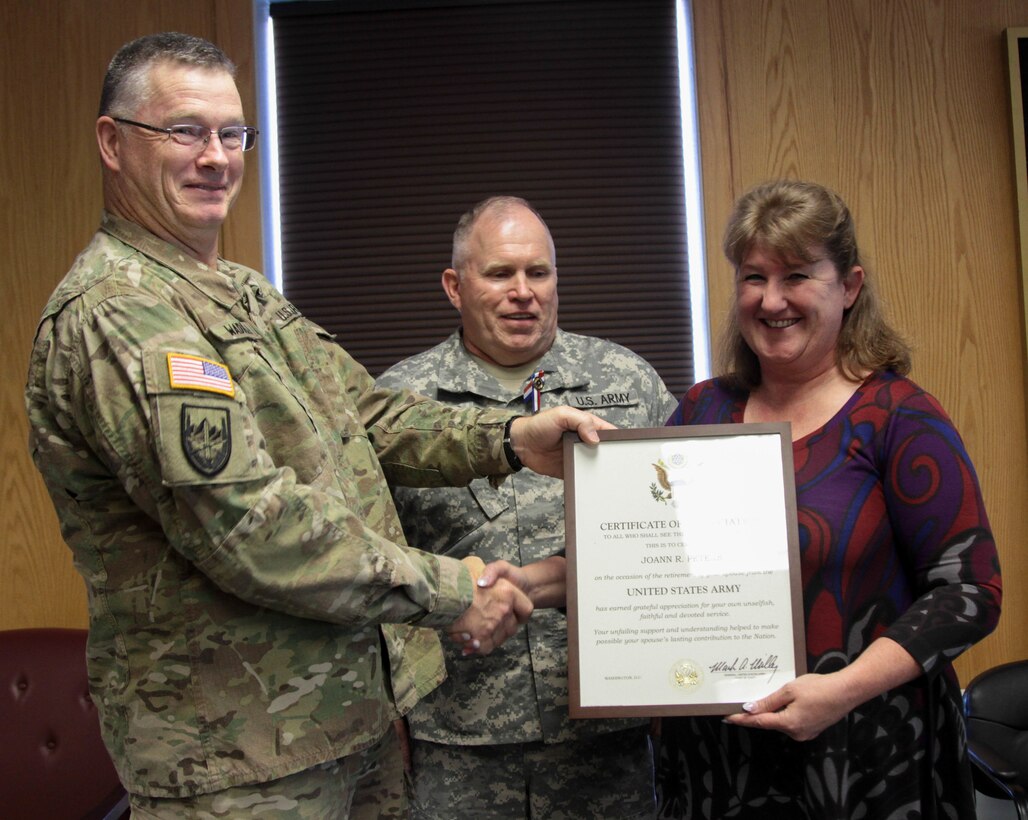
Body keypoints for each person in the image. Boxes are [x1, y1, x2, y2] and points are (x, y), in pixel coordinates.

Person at [24, 34, 614, 819]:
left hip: (350, 725)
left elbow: (367, 417)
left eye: (231, 133)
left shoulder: (239, 292)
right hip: (238, 762)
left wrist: (506, 439)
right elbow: (252, 526)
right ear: (113, 142)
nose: (215, 157)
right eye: (184, 131)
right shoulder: (120, 314)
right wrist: (449, 588)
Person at [656, 180, 1002, 819]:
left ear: (849, 286)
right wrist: (528, 583)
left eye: (797, 274)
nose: (773, 298)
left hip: (867, 757)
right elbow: (649, 557)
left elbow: (970, 593)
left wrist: (841, 691)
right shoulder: (703, 410)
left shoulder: (898, 416)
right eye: (753, 276)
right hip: (720, 760)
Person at [377, 195, 678, 819]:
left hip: (607, 739)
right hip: (459, 737)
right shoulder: (399, 404)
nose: (523, 292)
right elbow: (372, 559)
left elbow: (685, 538)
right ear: (454, 287)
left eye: (538, 273)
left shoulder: (627, 381)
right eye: (500, 274)